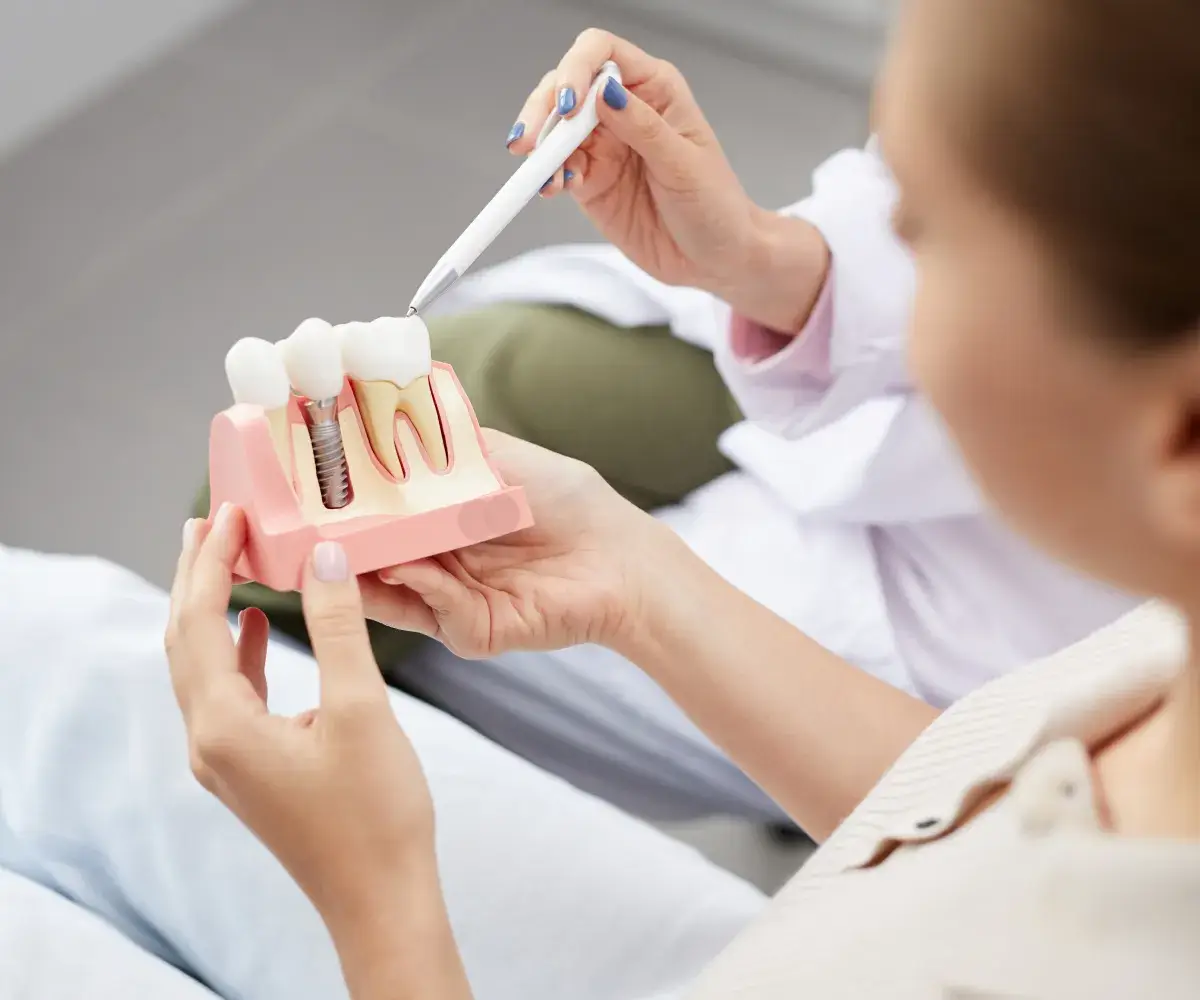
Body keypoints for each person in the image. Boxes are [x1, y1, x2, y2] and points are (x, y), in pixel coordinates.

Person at [167, 2, 1200, 996]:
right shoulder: (1146, 690)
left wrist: (380, 904)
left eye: (921, 231)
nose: (888, 245)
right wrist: (639, 584)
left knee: (93, 686)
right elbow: (968, 813)